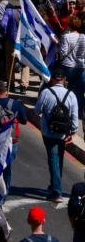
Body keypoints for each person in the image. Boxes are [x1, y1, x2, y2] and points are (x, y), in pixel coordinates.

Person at [38, 68, 79, 201]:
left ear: (52, 79)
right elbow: (74, 116)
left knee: (53, 160)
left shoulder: (45, 92)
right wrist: (73, 132)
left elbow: (37, 109)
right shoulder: (71, 95)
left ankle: (56, 192)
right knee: (59, 158)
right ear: (64, 79)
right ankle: (55, 184)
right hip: (64, 133)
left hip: (48, 132)